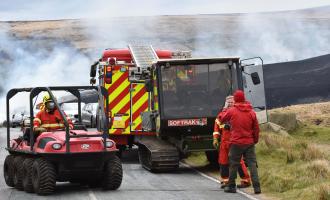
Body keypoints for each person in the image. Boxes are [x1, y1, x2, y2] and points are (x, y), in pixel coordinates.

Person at [220, 90, 261, 194]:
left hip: (236, 143)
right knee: (252, 164)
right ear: (243, 98)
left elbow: (222, 119)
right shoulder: (251, 112)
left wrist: (225, 108)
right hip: (249, 142)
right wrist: (254, 140)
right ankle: (257, 188)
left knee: (233, 164)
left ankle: (231, 186)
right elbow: (256, 128)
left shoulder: (232, 111)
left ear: (235, 99)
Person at [213, 96, 251, 189]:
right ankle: (225, 180)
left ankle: (246, 180)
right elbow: (217, 128)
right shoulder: (221, 115)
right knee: (223, 161)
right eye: (228, 102)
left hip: (235, 141)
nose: (230, 104)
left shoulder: (238, 113)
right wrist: (215, 138)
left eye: (231, 102)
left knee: (238, 161)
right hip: (224, 142)